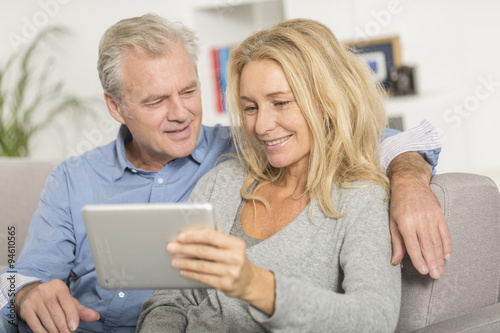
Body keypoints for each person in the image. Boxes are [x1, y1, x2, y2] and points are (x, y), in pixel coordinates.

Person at [0, 13, 446, 333]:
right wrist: (23, 292)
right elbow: (23, 272)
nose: (180, 115)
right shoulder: (230, 171)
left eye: (190, 91)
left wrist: (407, 177)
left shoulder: (243, 148)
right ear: (116, 107)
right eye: (156, 101)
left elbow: (359, 132)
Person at [137, 17, 401, 332]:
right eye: (250, 108)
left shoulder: (361, 199)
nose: (261, 126)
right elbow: (171, 298)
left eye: (280, 103)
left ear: (327, 104)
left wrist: (256, 285)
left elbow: (374, 318)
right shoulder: (223, 181)